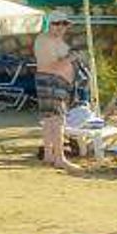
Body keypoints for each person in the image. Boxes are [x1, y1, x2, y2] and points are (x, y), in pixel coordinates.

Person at [34, 13, 82, 173]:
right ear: (50, 24)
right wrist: (71, 58)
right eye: (57, 23)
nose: (61, 27)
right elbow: (50, 66)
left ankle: (49, 155)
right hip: (52, 81)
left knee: (50, 120)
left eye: (64, 24)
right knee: (57, 120)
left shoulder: (54, 40)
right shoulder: (45, 40)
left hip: (56, 82)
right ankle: (60, 158)